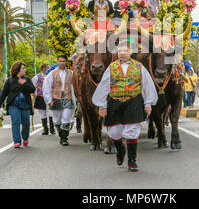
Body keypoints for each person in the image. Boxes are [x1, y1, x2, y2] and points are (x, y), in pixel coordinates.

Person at [92, 41, 158, 172]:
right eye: (120, 51)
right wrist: (102, 105)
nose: (122, 53)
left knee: (132, 131)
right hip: (115, 101)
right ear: (117, 53)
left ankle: (132, 160)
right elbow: (104, 86)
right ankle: (120, 149)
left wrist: (148, 103)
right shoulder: (111, 67)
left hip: (133, 101)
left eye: (125, 50)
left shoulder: (139, 67)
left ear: (130, 52)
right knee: (115, 132)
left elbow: (147, 85)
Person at [0, 62, 36, 148]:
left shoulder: (27, 79)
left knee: (26, 123)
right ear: (18, 70)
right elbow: (4, 93)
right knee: (16, 122)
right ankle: (17, 141)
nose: (25, 70)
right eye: (23, 68)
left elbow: (33, 89)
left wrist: (24, 83)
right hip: (13, 105)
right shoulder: (10, 80)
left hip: (25, 105)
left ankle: (25, 138)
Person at [43, 55, 76, 146]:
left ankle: (64, 138)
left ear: (66, 62)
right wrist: (49, 100)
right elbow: (47, 87)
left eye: (64, 61)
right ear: (57, 62)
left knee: (66, 117)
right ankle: (61, 135)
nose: (62, 63)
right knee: (57, 120)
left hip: (67, 97)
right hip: (56, 98)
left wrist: (76, 99)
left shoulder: (71, 73)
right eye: (60, 61)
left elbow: (75, 86)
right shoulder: (52, 74)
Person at [33, 64, 56, 135]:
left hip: (49, 97)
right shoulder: (37, 77)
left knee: (50, 113)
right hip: (41, 97)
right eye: (48, 68)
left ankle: (52, 129)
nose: (49, 70)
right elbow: (32, 86)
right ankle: (45, 129)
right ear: (43, 69)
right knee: (42, 113)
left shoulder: (51, 76)